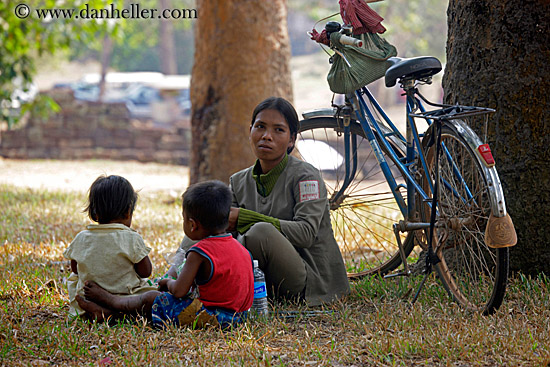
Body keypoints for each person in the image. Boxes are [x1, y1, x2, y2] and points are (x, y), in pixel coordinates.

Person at [174, 97, 350, 306]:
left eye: (278, 130)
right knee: (205, 222)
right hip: (262, 277)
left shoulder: (306, 177)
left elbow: (306, 234)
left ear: (292, 140)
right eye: (260, 127)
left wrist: (244, 218)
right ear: (250, 131)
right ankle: (176, 280)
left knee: (260, 233)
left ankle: (209, 286)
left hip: (307, 280)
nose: (267, 136)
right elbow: (219, 229)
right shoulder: (239, 181)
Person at [75, 180, 254, 329]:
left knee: (152, 298)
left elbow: (178, 291)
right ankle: (112, 314)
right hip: (240, 318)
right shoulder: (241, 249)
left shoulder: (199, 252)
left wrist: (167, 282)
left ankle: (112, 305)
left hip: (210, 317)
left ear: (192, 225)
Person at [63, 175, 155, 318]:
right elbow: (145, 272)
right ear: (128, 211)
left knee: (74, 280)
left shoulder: (81, 237)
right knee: (154, 297)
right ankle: (114, 313)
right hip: (126, 299)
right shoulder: (131, 238)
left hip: (88, 298)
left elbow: (75, 269)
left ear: (94, 213)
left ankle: (99, 311)